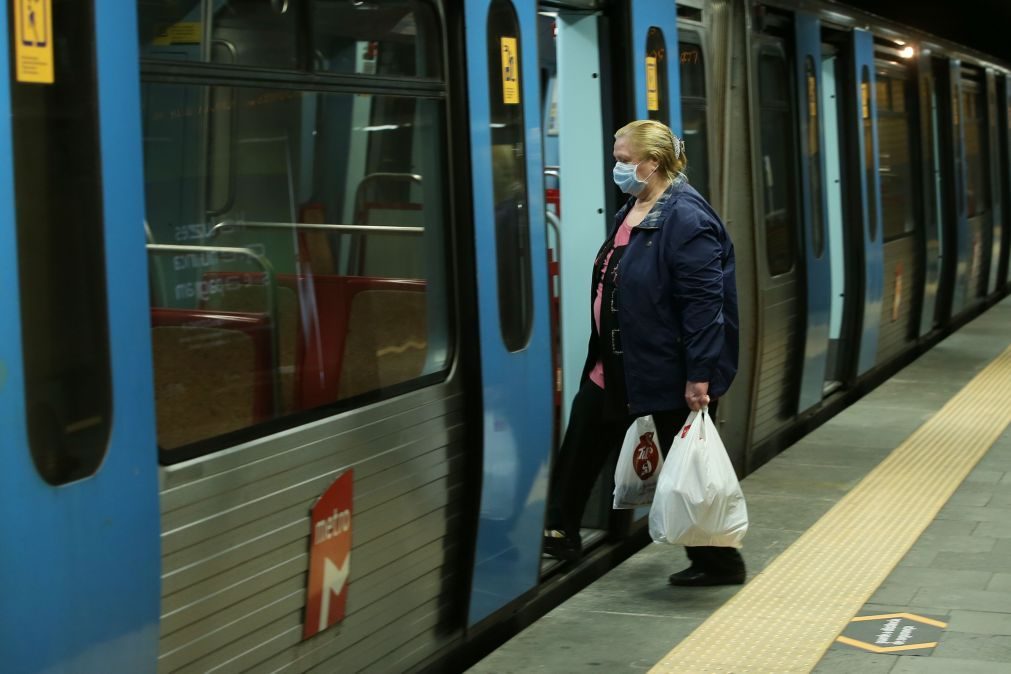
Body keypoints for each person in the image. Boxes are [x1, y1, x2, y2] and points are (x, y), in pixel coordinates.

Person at [543, 119, 745, 587]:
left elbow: (703, 305)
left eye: (623, 160)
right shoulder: (635, 207)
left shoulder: (687, 219)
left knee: (687, 468)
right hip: (615, 362)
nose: (617, 167)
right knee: (581, 442)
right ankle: (560, 530)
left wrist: (699, 375)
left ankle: (719, 561)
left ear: (652, 163)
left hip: (662, 368)